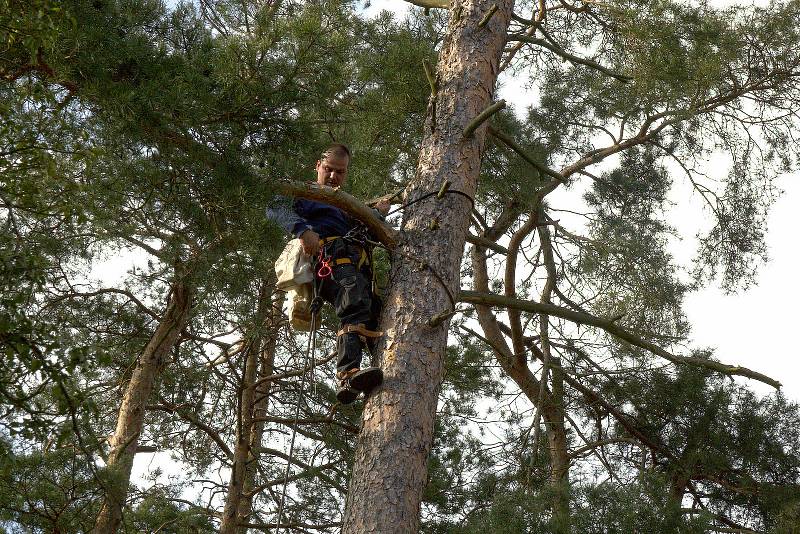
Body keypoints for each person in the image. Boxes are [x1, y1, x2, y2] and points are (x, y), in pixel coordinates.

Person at [267, 143, 390, 403]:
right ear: (317, 166)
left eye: (340, 172)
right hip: (331, 258)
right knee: (353, 302)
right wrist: (302, 230)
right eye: (328, 169)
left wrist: (376, 215)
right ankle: (347, 372)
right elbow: (276, 206)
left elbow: (364, 233)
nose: (333, 176)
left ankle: (372, 374)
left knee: (376, 313)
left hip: (354, 262)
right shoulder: (307, 193)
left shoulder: (344, 206)